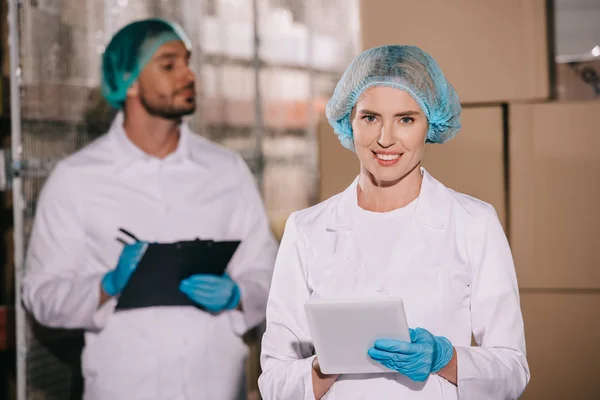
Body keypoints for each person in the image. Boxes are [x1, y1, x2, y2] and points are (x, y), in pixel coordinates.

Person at [22, 18, 277, 400]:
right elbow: (42, 297)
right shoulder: (76, 179)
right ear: (129, 79)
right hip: (123, 387)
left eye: (188, 62)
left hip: (218, 386)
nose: (189, 75)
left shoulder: (226, 171)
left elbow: (271, 275)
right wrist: (106, 286)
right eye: (169, 64)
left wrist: (238, 293)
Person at [258, 45, 529, 399]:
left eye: (406, 119)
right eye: (370, 117)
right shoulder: (306, 230)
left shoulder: (473, 223)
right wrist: (325, 365)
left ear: (430, 123)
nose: (385, 138)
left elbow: (512, 370)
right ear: (348, 120)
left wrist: (444, 359)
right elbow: (274, 380)